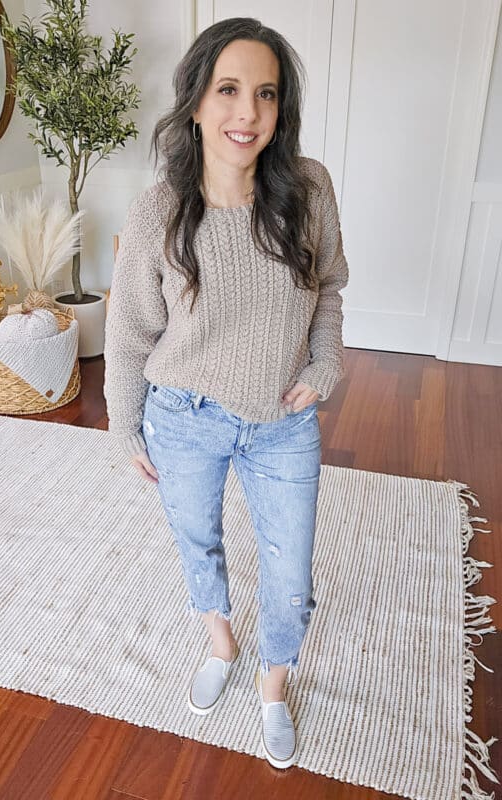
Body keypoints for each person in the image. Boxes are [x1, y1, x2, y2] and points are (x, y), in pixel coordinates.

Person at [103, 16, 349, 770]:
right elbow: (130, 331)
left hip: (281, 421)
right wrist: (124, 426)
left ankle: (274, 683)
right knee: (196, 541)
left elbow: (330, 288)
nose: (248, 113)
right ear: (198, 103)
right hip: (184, 415)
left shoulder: (307, 190)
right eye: (229, 90)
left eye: (266, 95)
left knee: (290, 570)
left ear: (282, 109)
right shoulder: (159, 210)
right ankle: (220, 640)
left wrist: (324, 365)